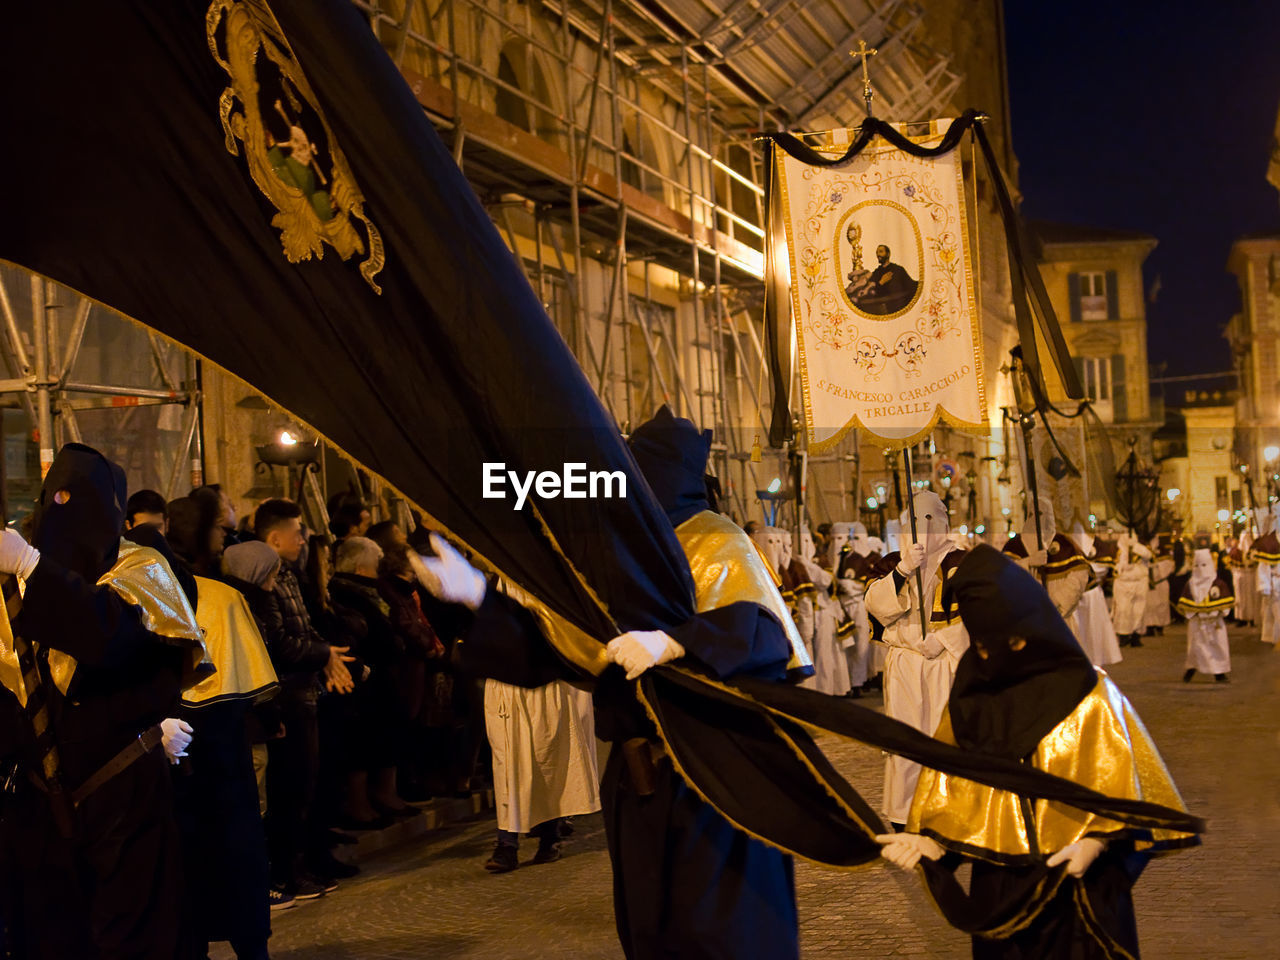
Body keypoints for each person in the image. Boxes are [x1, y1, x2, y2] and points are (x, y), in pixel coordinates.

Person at [421, 405, 811, 959]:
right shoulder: (618, 557)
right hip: (638, 782)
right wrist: (478, 595)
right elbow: (559, 646)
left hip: (714, 775)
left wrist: (676, 642)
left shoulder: (717, 540)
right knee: (651, 926)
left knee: (726, 928)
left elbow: (763, 634)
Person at [878, 544, 1198, 959]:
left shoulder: (1089, 695)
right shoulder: (973, 699)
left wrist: (1095, 843)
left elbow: (1125, 791)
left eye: (1008, 640)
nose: (995, 657)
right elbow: (956, 788)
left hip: (1077, 890)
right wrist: (934, 843)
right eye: (984, 645)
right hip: (1000, 888)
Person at [0, 443, 210, 960]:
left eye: (79, 499)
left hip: (123, 780)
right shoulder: (16, 580)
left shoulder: (138, 568)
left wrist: (32, 566)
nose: (63, 510)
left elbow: (117, 640)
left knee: (132, 928)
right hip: (39, 795)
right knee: (54, 930)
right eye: (56, 498)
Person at [158, 519, 278, 959]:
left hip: (211, 756)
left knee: (221, 858)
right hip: (207, 756)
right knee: (213, 861)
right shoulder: (219, 596)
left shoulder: (219, 598)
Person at [255, 499, 355, 903]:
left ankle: (308, 861)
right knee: (290, 789)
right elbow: (278, 642)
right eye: (298, 532)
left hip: (306, 691)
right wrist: (323, 656)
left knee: (309, 785)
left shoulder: (290, 577)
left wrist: (329, 656)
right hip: (288, 695)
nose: (303, 539)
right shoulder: (266, 581)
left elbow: (306, 628)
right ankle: (290, 870)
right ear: (275, 538)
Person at [864, 491, 969, 826]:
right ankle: (903, 813)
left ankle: (947, 811)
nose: (922, 529)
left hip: (944, 662)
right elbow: (875, 606)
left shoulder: (961, 563)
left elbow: (981, 612)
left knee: (944, 736)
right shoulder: (893, 562)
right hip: (905, 663)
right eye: (914, 521)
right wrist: (903, 570)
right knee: (905, 739)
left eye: (929, 520)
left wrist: (944, 638)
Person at [328, 536, 414, 825]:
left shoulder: (368, 590)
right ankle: (359, 803)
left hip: (384, 675)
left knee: (386, 737)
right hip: (365, 678)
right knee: (361, 743)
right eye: (376, 560)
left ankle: (383, 795)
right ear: (362, 562)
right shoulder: (348, 591)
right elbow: (372, 631)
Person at [1177, 548, 1233, 683]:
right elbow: (1186, 605)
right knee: (1196, 648)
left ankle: (1219, 673)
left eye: (1204, 565)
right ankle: (1191, 670)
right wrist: (1194, 612)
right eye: (1197, 565)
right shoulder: (1190, 585)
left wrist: (1218, 612)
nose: (1200, 569)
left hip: (1214, 623)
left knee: (1217, 648)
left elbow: (1225, 605)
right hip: (1198, 623)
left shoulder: (1218, 584)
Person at [1071, 523, 1122, 667]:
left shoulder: (1095, 544)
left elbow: (1102, 569)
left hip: (1089, 594)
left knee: (1093, 637)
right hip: (1069, 598)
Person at [853, 244, 919, 315]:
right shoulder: (876, 273)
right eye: (877, 253)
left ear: (888, 254)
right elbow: (871, 291)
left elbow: (910, 285)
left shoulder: (898, 269)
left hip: (899, 307)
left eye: (881, 252)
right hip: (882, 309)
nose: (878, 254)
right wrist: (881, 282)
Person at [1110, 536, 1150, 647]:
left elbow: (1148, 555)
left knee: (1138, 610)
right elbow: (1118, 568)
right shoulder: (1119, 551)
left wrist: (1135, 548)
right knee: (1123, 610)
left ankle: (1136, 636)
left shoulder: (1141, 549)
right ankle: (1123, 636)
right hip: (1123, 584)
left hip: (1139, 582)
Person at [1143, 536, 1175, 636]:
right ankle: (1150, 627)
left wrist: (1156, 564)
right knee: (1150, 606)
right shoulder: (1144, 552)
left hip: (1160, 583)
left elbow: (1169, 566)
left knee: (1162, 605)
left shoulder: (1163, 552)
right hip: (1149, 584)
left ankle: (1160, 627)